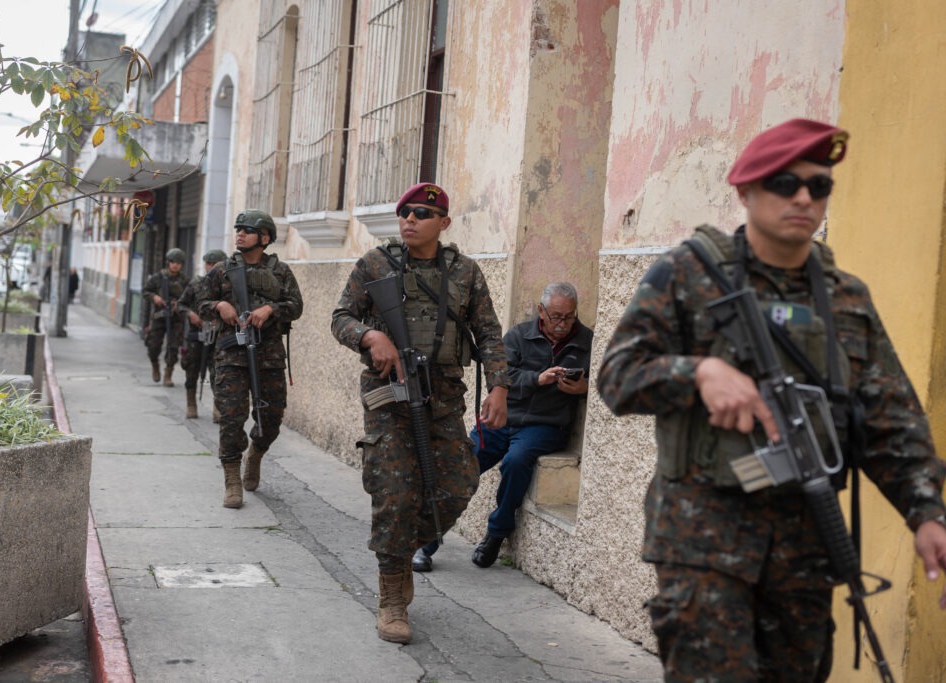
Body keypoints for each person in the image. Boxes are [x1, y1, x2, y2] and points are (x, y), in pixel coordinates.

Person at [597, 118, 946, 681]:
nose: (804, 198)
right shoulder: (687, 274)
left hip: (805, 548)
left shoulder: (845, 298)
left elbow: (891, 421)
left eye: (819, 185)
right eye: (785, 183)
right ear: (746, 191)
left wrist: (927, 515)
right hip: (703, 543)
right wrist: (698, 371)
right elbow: (617, 376)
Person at [332, 182, 510, 645]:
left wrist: (500, 387)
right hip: (388, 398)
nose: (410, 219)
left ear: (444, 223)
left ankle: (399, 550)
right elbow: (341, 317)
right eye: (405, 212)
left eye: (422, 214)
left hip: (443, 397)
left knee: (459, 482)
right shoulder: (376, 264)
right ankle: (392, 594)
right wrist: (371, 337)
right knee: (394, 493)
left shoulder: (465, 272)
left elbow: (489, 333)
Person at [412, 281, 593, 572]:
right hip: (504, 418)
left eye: (569, 317)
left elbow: (602, 381)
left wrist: (584, 388)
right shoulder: (520, 335)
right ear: (541, 311)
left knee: (516, 462)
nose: (562, 324)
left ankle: (496, 533)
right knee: (462, 465)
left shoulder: (587, 341)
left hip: (544, 425)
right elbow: (500, 373)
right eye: (556, 316)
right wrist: (537, 379)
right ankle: (425, 542)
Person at [198, 211, 302, 510]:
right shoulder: (222, 270)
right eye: (238, 229)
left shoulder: (280, 271)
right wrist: (219, 306)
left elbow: (296, 306)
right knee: (231, 418)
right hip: (231, 355)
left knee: (272, 418)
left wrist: (271, 309)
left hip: (269, 356)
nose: (240, 234)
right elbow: (200, 303)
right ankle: (232, 476)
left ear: (265, 237)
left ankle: (255, 452)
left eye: (247, 230)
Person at [178, 249, 227, 419]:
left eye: (215, 264)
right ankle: (191, 403)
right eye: (208, 263)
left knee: (218, 373)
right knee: (192, 369)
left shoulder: (228, 285)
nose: (211, 267)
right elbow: (181, 305)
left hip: (218, 336)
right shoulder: (196, 283)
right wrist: (191, 315)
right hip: (196, 335)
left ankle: (218, 407)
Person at [142, 248, 190, 387]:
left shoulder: (185, 280)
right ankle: (155, 364)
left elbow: (190, 297)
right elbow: (145, 291)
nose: (175, 265)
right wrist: (154, 297)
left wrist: (178, 304)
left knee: (173, 347)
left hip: (176, 318)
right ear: (168, 262)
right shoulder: (158, 277)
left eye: (178, 263)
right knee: (153, 346)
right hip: (159, 316)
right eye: (173, 262)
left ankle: (168, 374)